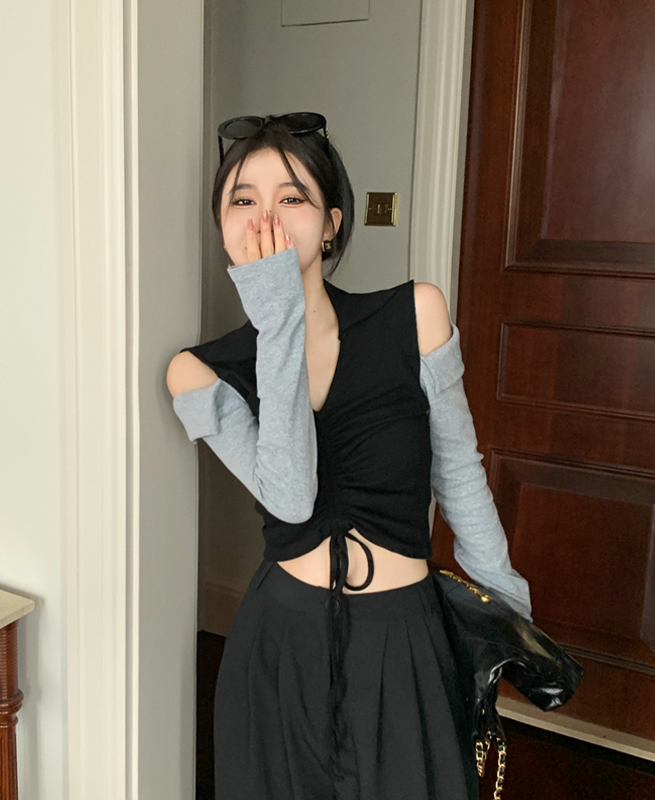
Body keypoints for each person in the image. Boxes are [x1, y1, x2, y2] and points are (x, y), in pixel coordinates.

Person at [167, 113, 533, 800]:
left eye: (292, 196)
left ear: (332, 224)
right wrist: (277, 316)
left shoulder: (415, 314)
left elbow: (458, 473)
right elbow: (291, 499)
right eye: (243, 199)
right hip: (281, 645)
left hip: (405, 638)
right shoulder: (198, 373)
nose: (266, 216)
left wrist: (510, 621)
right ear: (221, 226)